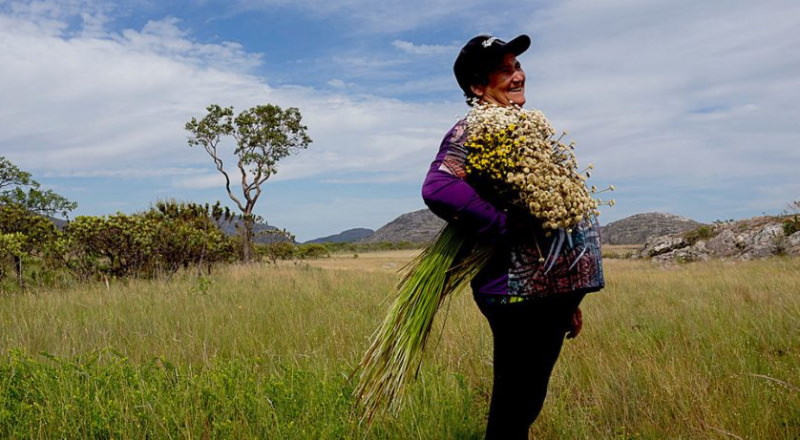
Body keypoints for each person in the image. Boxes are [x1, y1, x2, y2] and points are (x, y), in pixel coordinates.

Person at [421, 34, 603, 439]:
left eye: (517, 66)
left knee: (525, 400)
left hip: (547, 295)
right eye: (505, 69)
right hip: (517, 292)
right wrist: (504, 227)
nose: (518, 74)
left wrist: (569, 299)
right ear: (477, 87)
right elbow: (439, 186)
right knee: (515, 405)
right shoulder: (476, 128)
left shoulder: (517, 125)